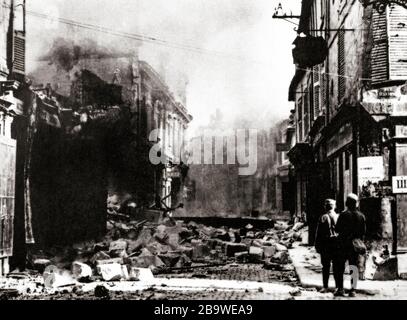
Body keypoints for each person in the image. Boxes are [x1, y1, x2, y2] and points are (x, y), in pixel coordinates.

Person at [335, 193, 366, 298]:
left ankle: (340, 289)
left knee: (340, 267)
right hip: (355, 245)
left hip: (343, 244)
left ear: (347, 203)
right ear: (356, 204)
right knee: (354, 266)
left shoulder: (343, 215)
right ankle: (353, 290)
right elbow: (363, 232)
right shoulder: (361, 216)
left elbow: (337, 229)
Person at [314, 199, 340, 293]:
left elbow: (319, 233)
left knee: (325, 267)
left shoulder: (323, 217)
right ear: (334, 206)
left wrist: (317, 245)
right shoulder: (338, 216)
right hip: (336, 245)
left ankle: (325, 287)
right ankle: (337, 287)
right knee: (337, 267)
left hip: (326, 245)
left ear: (325, 207)